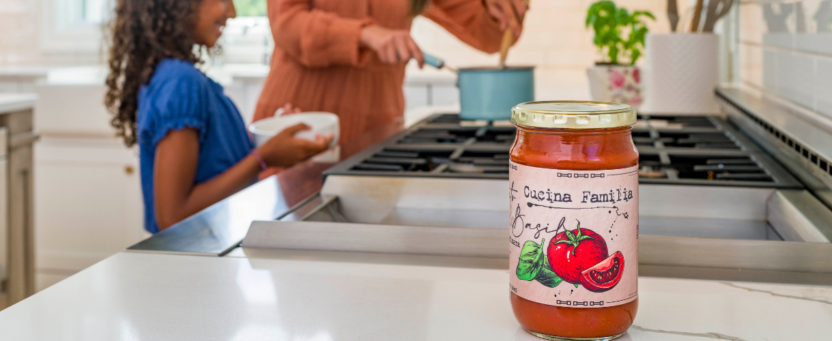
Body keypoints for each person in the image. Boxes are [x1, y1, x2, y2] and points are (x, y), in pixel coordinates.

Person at [105, 0, 334, 233]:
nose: (232, 13)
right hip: (193, 262)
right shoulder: (181, 82)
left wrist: (271, 142)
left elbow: (213, 160)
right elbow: (172, 217)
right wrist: (262, 158)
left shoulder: (174, 76)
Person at [253, 0, 529, 143]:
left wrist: (500, 10)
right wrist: (365, 34)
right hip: (296, 118)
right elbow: (285, 22)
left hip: (376, 130)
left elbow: (489, 36)